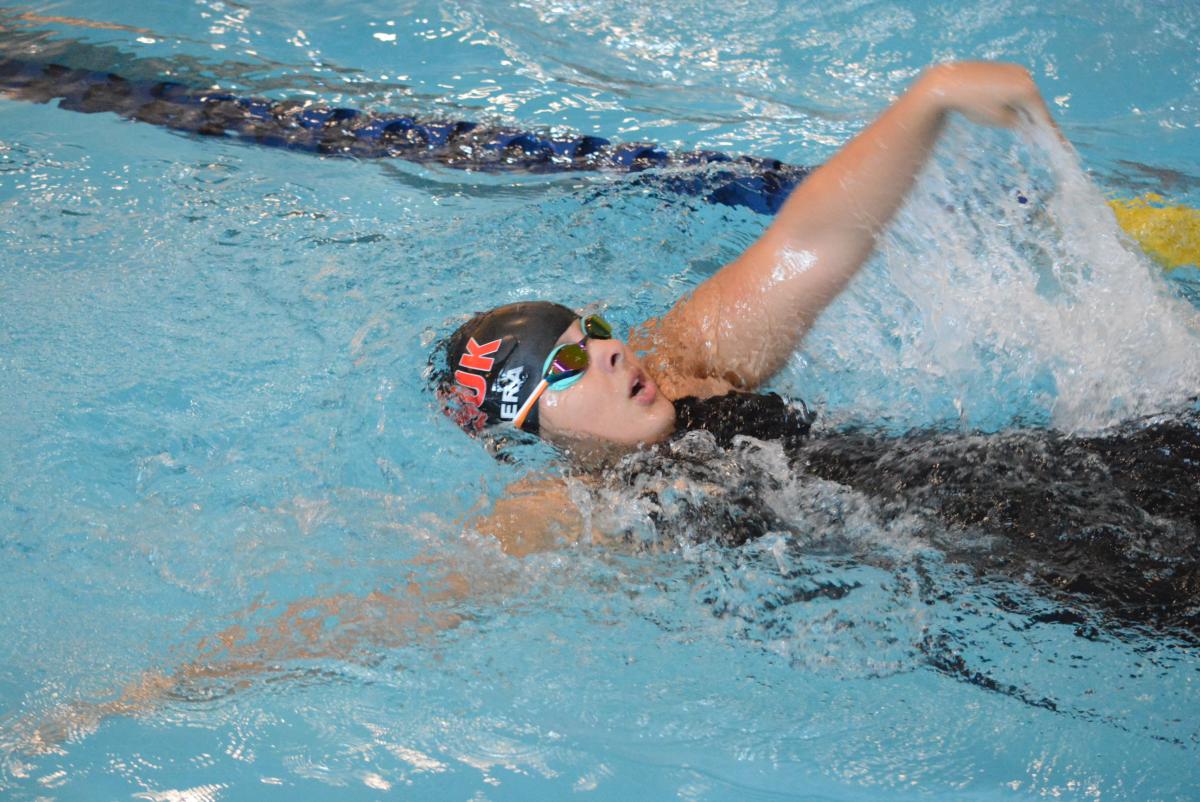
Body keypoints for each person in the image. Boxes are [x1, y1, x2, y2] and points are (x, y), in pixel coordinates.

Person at [436, 61, 1200, 638]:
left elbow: (808, 244)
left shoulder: (686, 363)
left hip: (1048, 469)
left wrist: (929, 97)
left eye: (594, 331)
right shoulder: (567, 507)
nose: (608, 353)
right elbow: (429, 598)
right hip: (1041, 570)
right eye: (566, 367)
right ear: (526, 428)